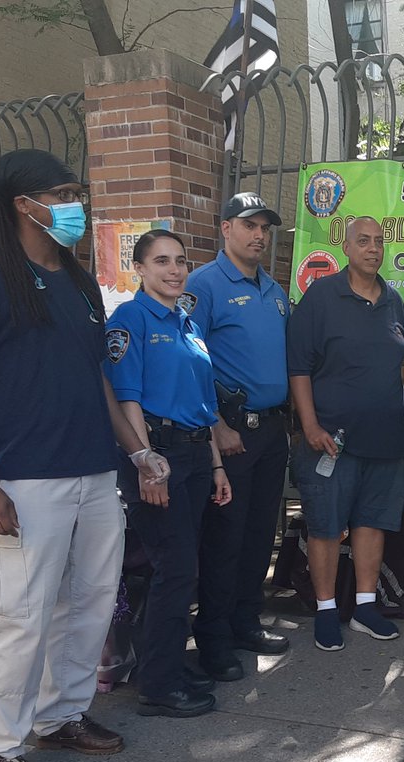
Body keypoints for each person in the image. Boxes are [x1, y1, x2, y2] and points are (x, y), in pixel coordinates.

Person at [0, 149, 170, 762]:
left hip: (94, 472)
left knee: (89, 604)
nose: (75, 204)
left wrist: (138, 450)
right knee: (19, 617)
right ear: (22, 205)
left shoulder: (78, 281)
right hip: (23, 481)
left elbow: (95, 377)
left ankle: (59, 716)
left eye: (76, 191)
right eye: (62, 192)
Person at [104, 230, 232, 718]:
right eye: (161, 261)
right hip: (157, 455)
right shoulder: (130, 319)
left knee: (183, 567)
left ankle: (170, 663)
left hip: (197, 455)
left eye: (180, 261)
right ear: (139, 268)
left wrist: (217, 466)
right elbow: (126, 397)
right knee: (172, 570)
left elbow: (205, 406)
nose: (174, 270)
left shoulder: (186, 322)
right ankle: (158, 684)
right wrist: (144, 462)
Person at [287, 216, 404, 651]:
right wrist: (310, 425)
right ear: (346, 247)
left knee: (372, 522)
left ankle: (365, 607)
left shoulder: (393, 300)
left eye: (379, 242)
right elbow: (298, 367)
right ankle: (324, 611)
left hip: (385, 438)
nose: (373, 249)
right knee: (326, 525)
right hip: (331, 440)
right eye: (364, 241)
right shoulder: (320, 297)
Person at [186, 192, 291, 683]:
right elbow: (188, 364)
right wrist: (216, 427)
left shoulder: (274, 290)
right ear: (225, 228)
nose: (259, 235)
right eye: (249, 225)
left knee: (259, 535)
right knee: (225, 539)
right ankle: (213, 639)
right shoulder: (204, 285)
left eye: (264, 228)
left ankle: (246, 623)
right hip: (232, 432)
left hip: (271, 429)